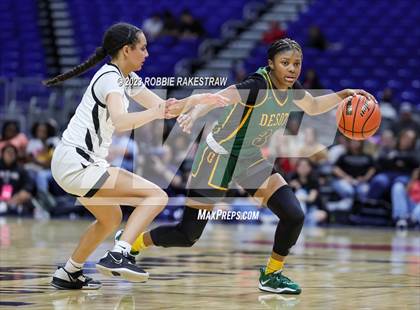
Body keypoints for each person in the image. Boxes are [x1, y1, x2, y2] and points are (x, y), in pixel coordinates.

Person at [117, 38, 376, 294]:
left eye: (296, 63)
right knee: (187, 235)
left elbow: (314, 105)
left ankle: (272, 275)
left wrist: (342, 95)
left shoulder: (293, 89)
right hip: (216, 158)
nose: (292, 69)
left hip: (249, 159)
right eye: (285, 63)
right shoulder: (255, 85)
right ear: (271, 64)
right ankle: (132, 242)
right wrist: (195, 113)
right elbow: (218, 98)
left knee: (293, 214)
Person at [43, 22, 227, 290]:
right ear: (126, 50)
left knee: (111, 218)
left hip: (74, 163)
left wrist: (199, 99)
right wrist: (154, 114)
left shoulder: (127, 78)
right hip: (78, 162)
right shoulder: (111, 78)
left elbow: (165, 108)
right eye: (142, 48)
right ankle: (119, 254)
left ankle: (69, 272)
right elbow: (120, 121)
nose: (147, 54)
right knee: (156, 196)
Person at [328, 140, 375, 211]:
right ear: (349, 143)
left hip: (361, 182)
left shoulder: (367, 156)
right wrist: (345, 177)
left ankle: (360, 211)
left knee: (364, 190)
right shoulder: (344, 155)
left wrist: (365, 178)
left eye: (357, 142)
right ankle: (342, 207)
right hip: (345, 181)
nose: (355, 144)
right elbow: (335, 168)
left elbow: (373, 169)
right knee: (349, 190)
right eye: (353, 142)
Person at [0, 144, 35, 215]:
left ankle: (10, 207)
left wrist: (24, 191)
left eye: (12, 153)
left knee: (26, 195)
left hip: (15, 198)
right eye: (8, 152)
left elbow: (29, 184)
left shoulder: (21, 169)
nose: (10, 155)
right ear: (3, 154)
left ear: (16, 155)